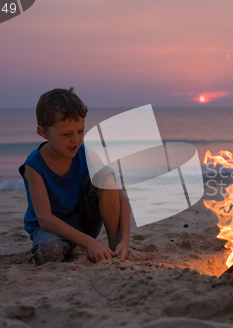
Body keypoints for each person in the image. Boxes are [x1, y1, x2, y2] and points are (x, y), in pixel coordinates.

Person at [19, 87, 142, 265]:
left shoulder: (88, 155)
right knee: (48, 253)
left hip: (85, 222)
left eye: (80, 131)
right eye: (66, 134)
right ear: (44, 132)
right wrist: (90, 243)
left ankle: (115, 247)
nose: (76, 140)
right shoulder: (34, 165)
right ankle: (79, 246)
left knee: (104, 176)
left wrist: (124, 241)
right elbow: (45, 219)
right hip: (53, 229)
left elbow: (121, 198)